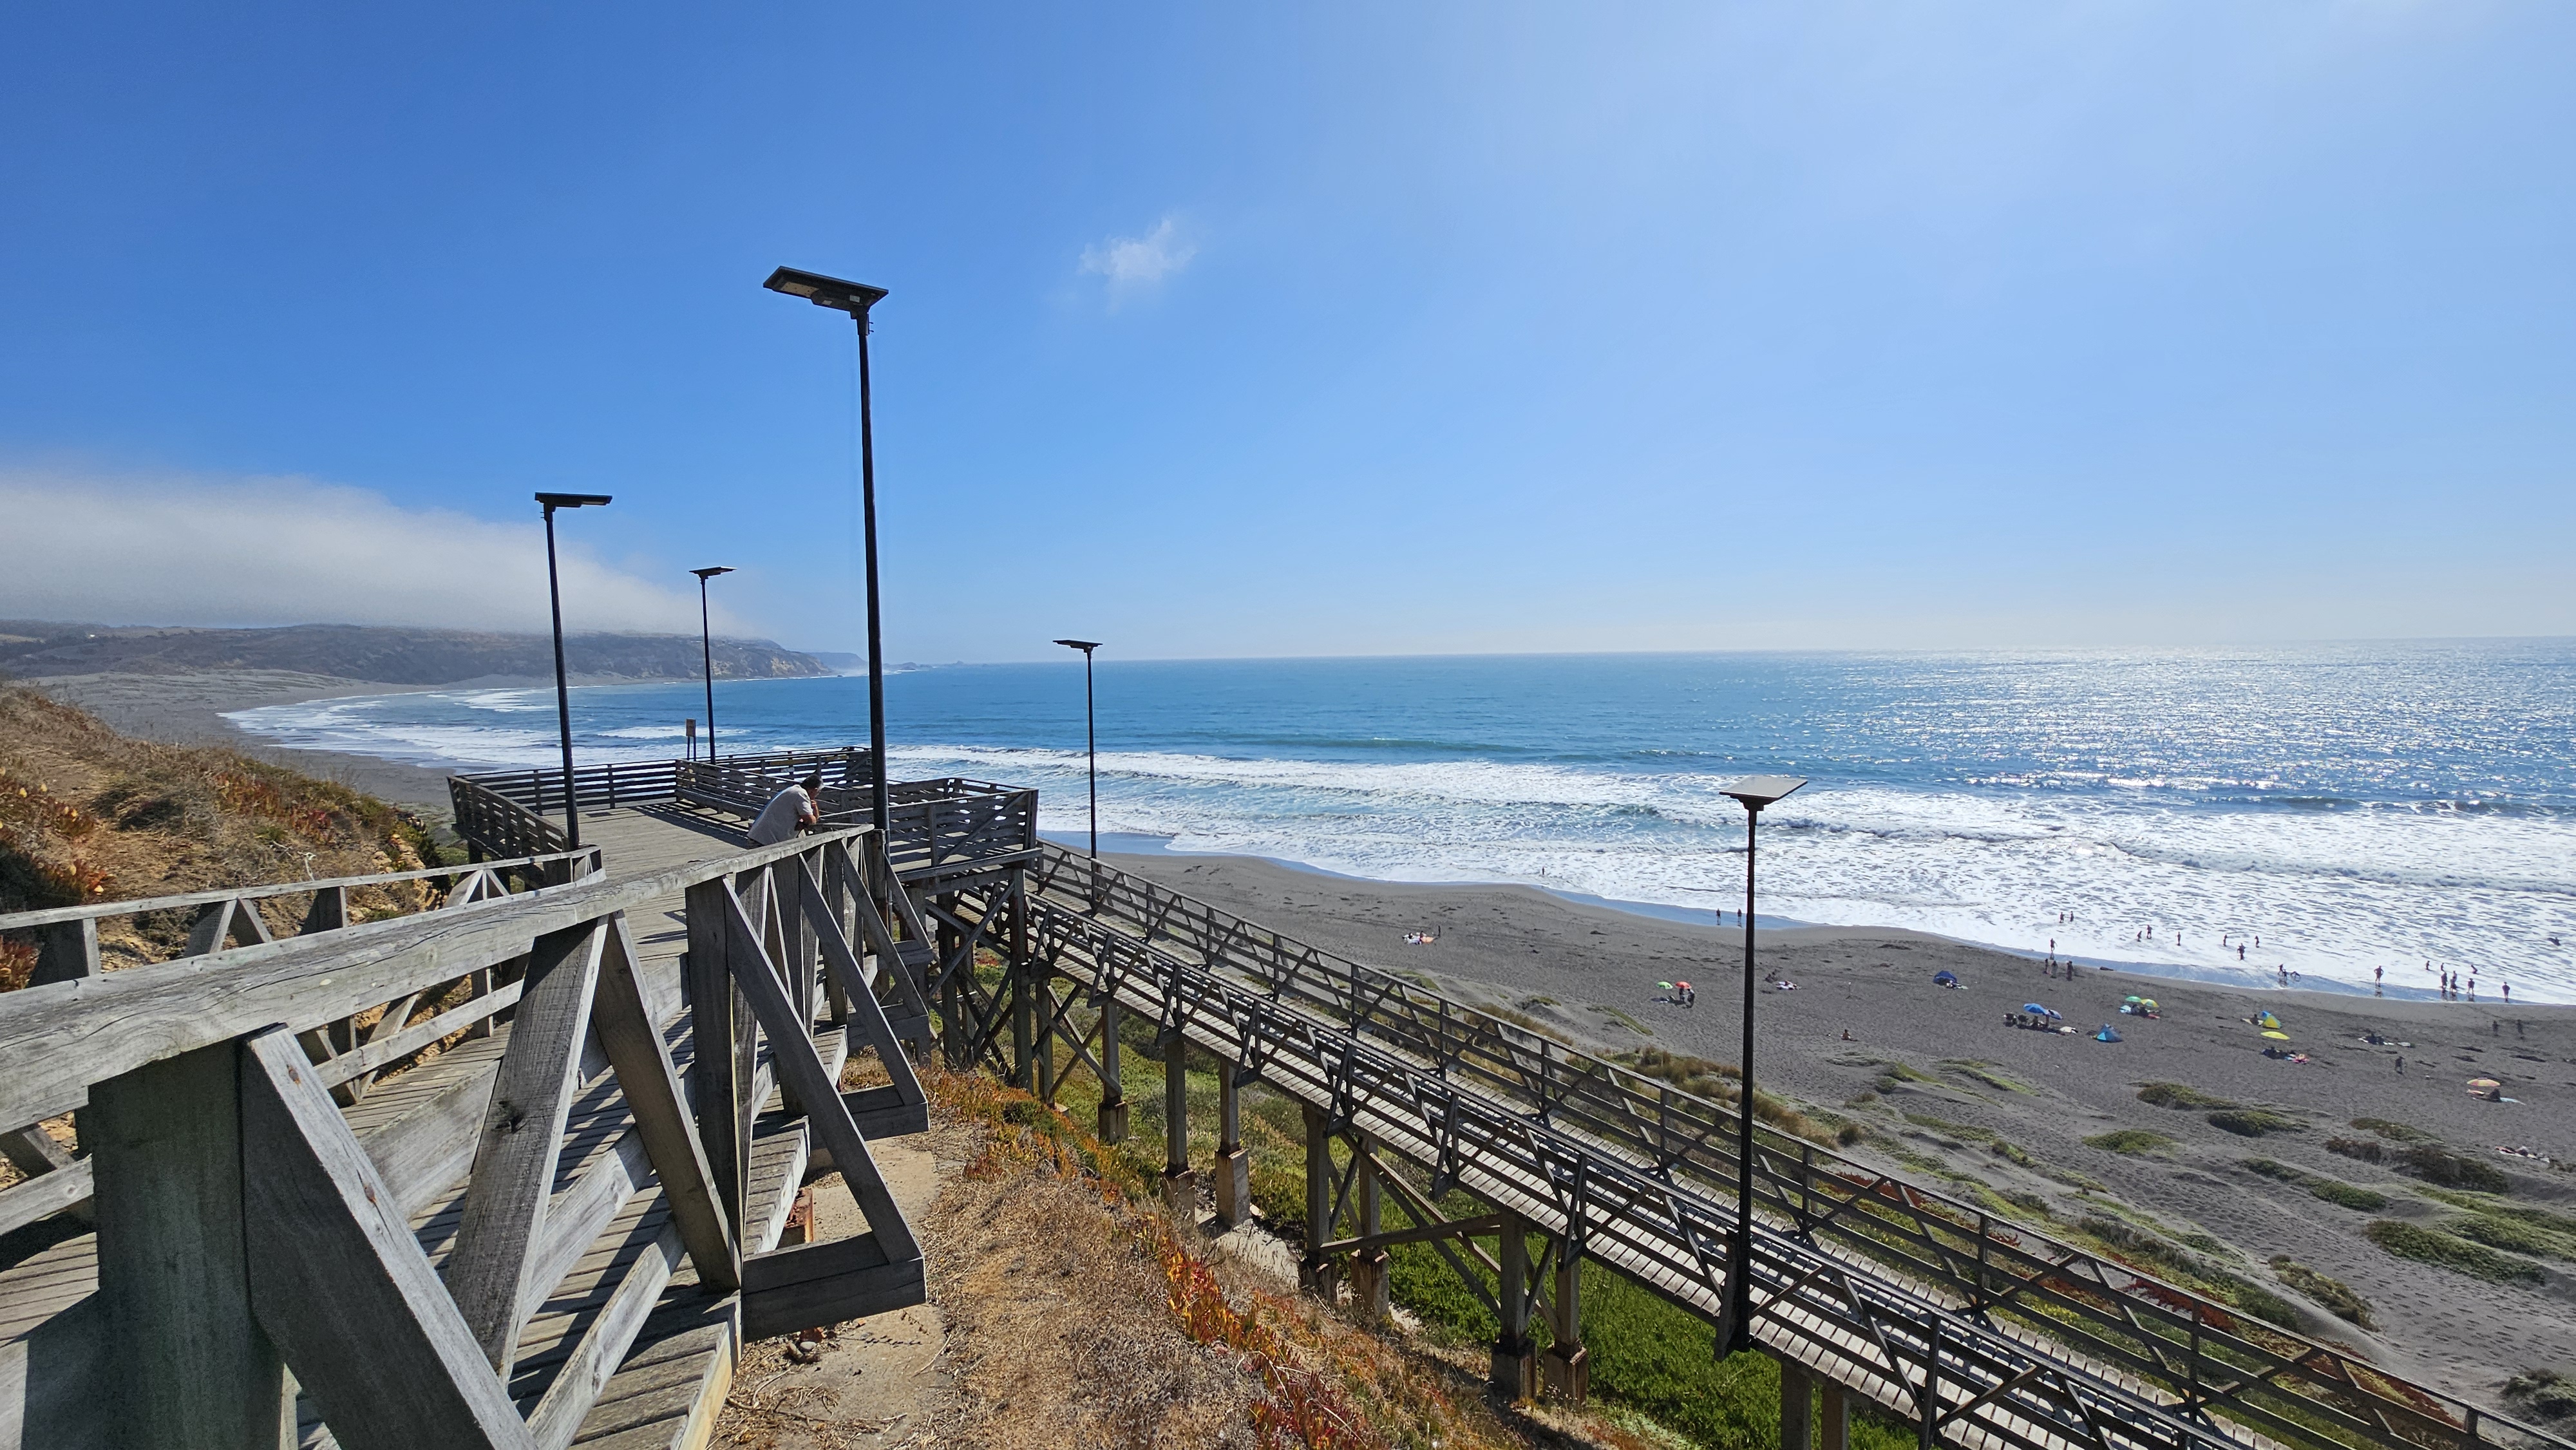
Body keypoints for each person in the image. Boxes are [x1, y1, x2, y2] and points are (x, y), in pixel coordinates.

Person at [749, 773, 823, 846]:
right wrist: (806, 821)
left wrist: (814, 808)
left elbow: (810, 820)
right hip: (765, 841)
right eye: (818, 792)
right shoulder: (801, 794)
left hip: (760, 837)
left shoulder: (794, 789)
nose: (817, 795)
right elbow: (811, 820)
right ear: (814, 790)